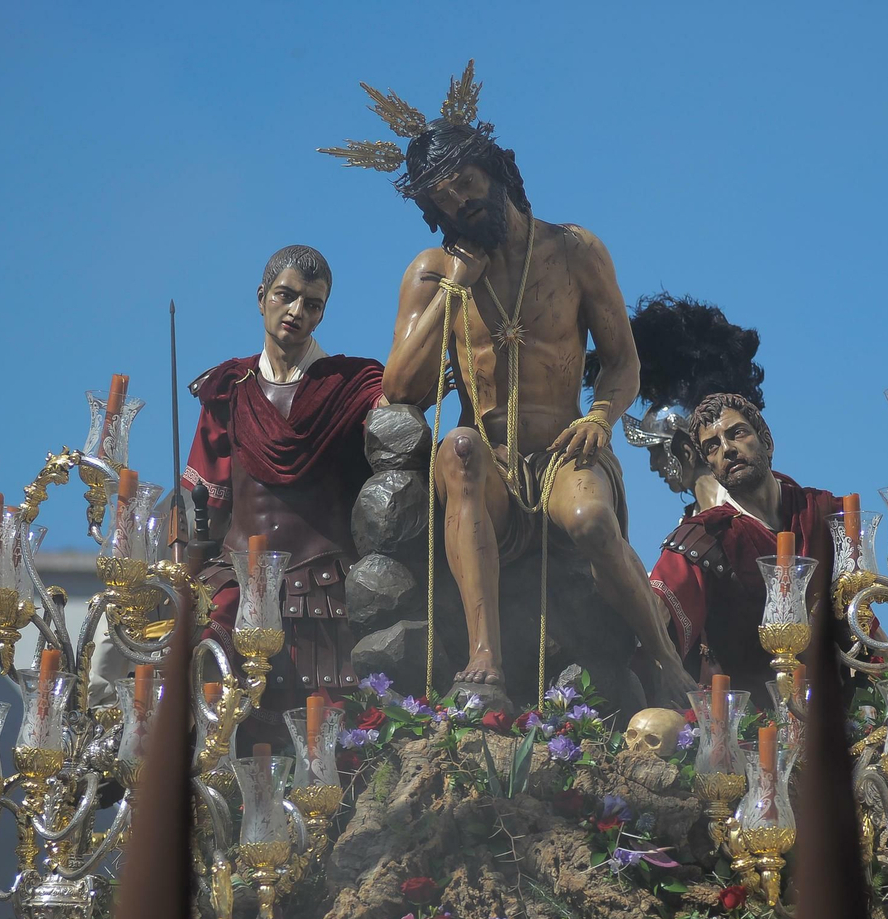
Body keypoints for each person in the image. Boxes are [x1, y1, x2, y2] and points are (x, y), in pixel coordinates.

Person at [323, 64, 696, 708]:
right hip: (488, 465)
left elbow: (622, 363)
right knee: (457, 450)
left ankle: (667, 662)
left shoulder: (576, 250)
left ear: (497, 172)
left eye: (466, 183)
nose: (459, 203)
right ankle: (485, 663)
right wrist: (453, 293)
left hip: (566, 452)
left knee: (590, 521)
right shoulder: (432, 271)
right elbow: (401, 387)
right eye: (441, 199)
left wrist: (602, 416)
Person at [180, 244, 385, 738]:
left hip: (323, 587)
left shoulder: (353, 386)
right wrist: (177, 590)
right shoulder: (228, 387)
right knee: (208, 714)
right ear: (261, 297)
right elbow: (201, 504)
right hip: (235, 581)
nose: (297, 311)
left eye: (312, 304)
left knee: (327, 744)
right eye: (286, 295)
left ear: (323, 312)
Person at [649, 393, 842, 698]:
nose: (727, 450)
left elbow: (864, 619)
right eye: (712, 446)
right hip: (750, 721)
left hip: (838, 706)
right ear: (709, 465)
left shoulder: (824, 512)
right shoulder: (703, 537)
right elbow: (652, 614)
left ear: (766, 441)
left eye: (736, 433)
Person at [603, 293, 765, 520]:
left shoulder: (749, 508)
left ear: (685, 450)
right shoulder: (689, 522)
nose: (652, 465)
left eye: (656, 452)